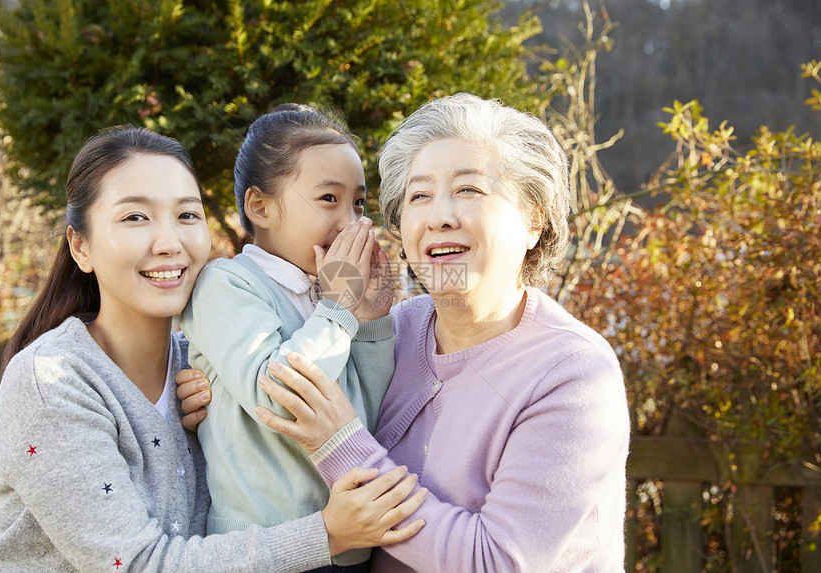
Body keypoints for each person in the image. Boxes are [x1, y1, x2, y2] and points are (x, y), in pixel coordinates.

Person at [185, 93, 630, 571]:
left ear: (534, 219)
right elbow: (269, 392)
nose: (439, 215)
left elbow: (494, 563)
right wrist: (201, 400)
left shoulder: (573, 375)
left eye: (469, 190)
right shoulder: (400, 326)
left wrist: (337, 441)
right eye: (419, 196)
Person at [0, 126, 425, 572]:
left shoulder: (202, 367)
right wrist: (328, 535)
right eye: (135, 217)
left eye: (186, 215)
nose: (170, 243)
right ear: (81, 247)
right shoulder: (53, 380)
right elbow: (137, 565)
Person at [178, 103, 398, 571]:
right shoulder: (227, 284)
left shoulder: (330, 296)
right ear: (261, 207)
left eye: (358, 203)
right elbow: (277, 399)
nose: (351, 221)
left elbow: (370, 418)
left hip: (351, 548)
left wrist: (373, 321)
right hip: (267, 551)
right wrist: (338, 310)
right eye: (328, 199)